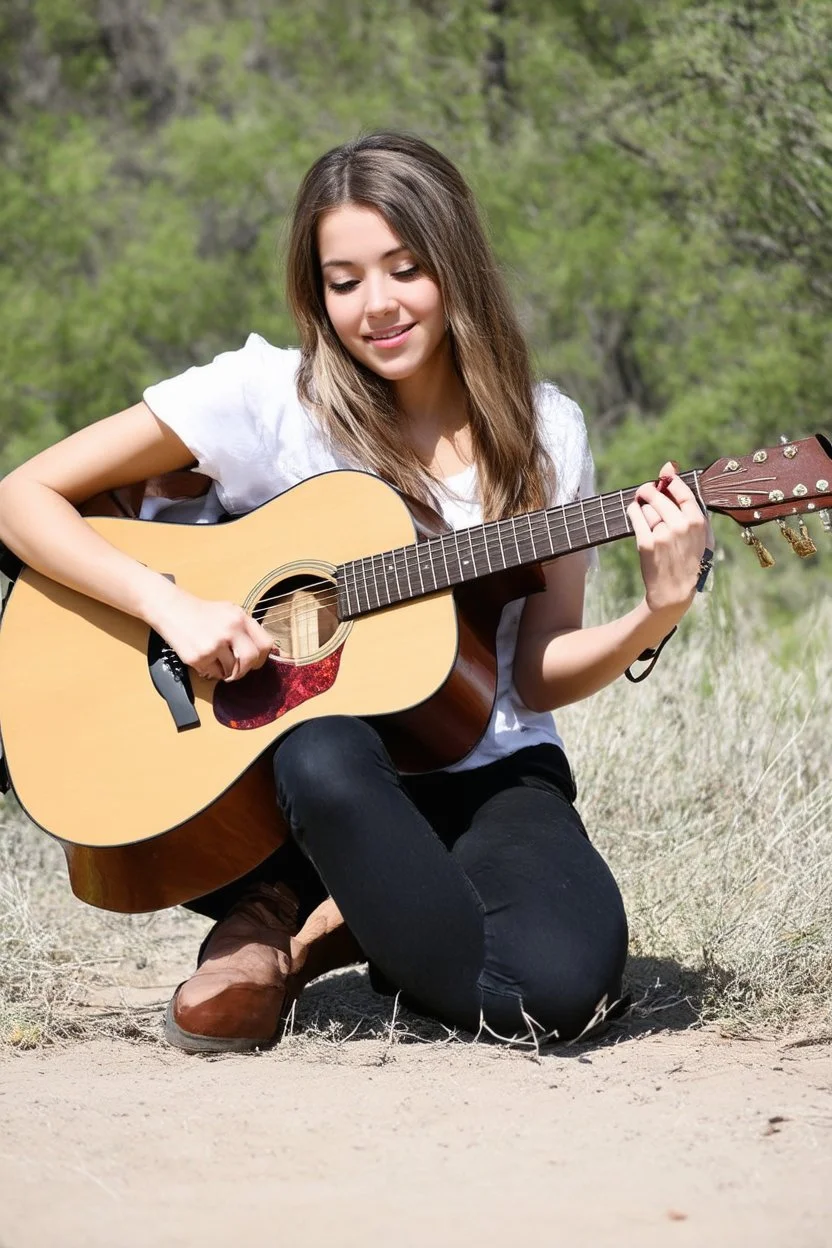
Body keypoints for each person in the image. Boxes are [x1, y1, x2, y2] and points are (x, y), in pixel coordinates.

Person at [0, 132, 708, 1053]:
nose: (377, 306)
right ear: (316, 290)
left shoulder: (543, 433)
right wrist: (169, 603)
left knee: (556, 996)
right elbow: (22, 499)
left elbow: (534, 675)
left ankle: (305, 929)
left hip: (485, 766)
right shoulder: (264, 398)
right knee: (324, 750)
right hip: (296, 791)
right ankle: (325, 890)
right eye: (344, 281)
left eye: (405, 269)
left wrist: (656, 611)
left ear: (455, 264)